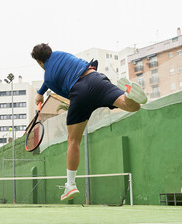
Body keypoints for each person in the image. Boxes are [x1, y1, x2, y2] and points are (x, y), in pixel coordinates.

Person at [31, 43, 147, 201]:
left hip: (80, 92)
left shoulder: (49, 78)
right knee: (132, 106)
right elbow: (54, 73)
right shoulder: (61, 53)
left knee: (73, 141)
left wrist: (40, 94)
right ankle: (129, 94)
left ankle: (70, 185)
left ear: (39, 62)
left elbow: (62, 90)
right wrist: (40, 92)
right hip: (96, 78)